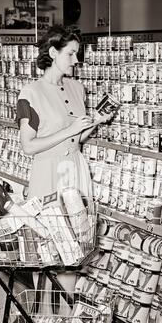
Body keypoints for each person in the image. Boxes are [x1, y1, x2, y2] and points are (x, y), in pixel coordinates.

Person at [16, 24, 112, 296]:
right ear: (53, 52)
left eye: (77, 54)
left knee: (74, 252)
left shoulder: (77, 88)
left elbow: (76, 140)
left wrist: (95, 123)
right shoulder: (30, 93)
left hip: (75, 172)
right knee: (48, 249)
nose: (76, 60)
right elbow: (28, 146)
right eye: (70, 54)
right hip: (48, 175)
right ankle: (42, 318)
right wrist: (69, 129)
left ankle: (64, 322)